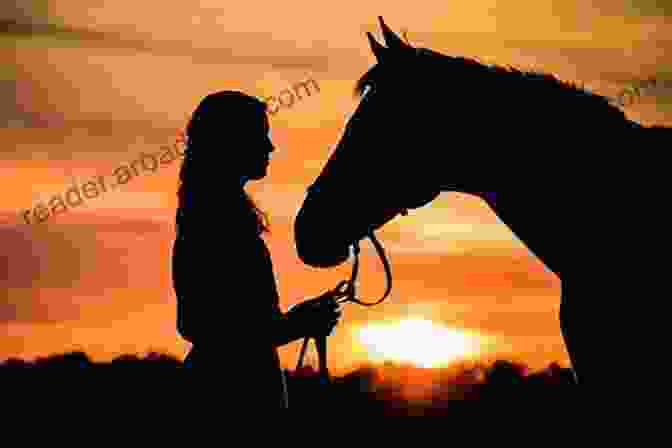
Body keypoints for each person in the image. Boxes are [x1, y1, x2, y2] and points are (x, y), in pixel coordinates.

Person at [172, 90, 342, 409]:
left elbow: (237, 324)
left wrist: (299, 319)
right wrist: (298, 323)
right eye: (259, 135)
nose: (269, 146)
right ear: (230, 142)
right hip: (226, 400)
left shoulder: (212, 216)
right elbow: (202, 325)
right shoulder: (213, 222)